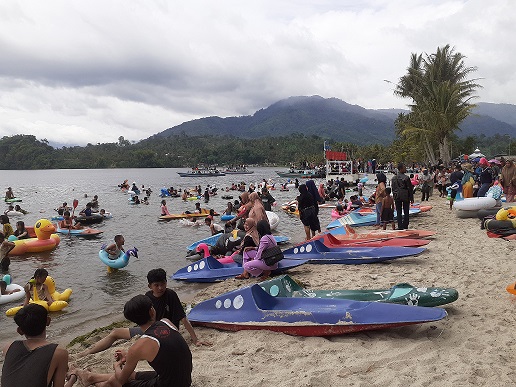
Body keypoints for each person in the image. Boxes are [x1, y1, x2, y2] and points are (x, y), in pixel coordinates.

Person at [77, 268, 210, 358]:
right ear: (150, 286)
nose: (161, 288)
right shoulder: (147, 297)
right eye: (156, 285)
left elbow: (183, 318)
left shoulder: (170, 295)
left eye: (163, 284)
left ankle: (89, 352)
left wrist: (195, 340)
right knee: (115, 332)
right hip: (148, 329)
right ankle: (88, 352)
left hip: (163, 332)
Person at [73, 294, 192, 387]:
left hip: (167, 384)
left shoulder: (138, 346)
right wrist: (130, 355)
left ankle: (94, 381)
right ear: (152, 311)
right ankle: (92, 377)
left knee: (117, 382)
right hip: (184, 380)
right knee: (133, 375)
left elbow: (120, 380)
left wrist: (117, 366)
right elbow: (165, 349)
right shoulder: (167, 322)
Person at [1, 303, 76, 387]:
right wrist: (73, 377)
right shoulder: (59, 352)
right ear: (48, 321)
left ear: (19, 331)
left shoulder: (8, 347)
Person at [391, 163, 414, 230]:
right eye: (404, 168)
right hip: (405, 196)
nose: (405, 169)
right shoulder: (406, 178)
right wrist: (411, 197)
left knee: (399, 211)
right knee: (406, 211)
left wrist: (394, 196)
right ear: (400, 169)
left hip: (397, 196)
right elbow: (410, 188)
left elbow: (393, 188)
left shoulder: (394, 178)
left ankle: (400, 226)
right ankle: (405, 225)